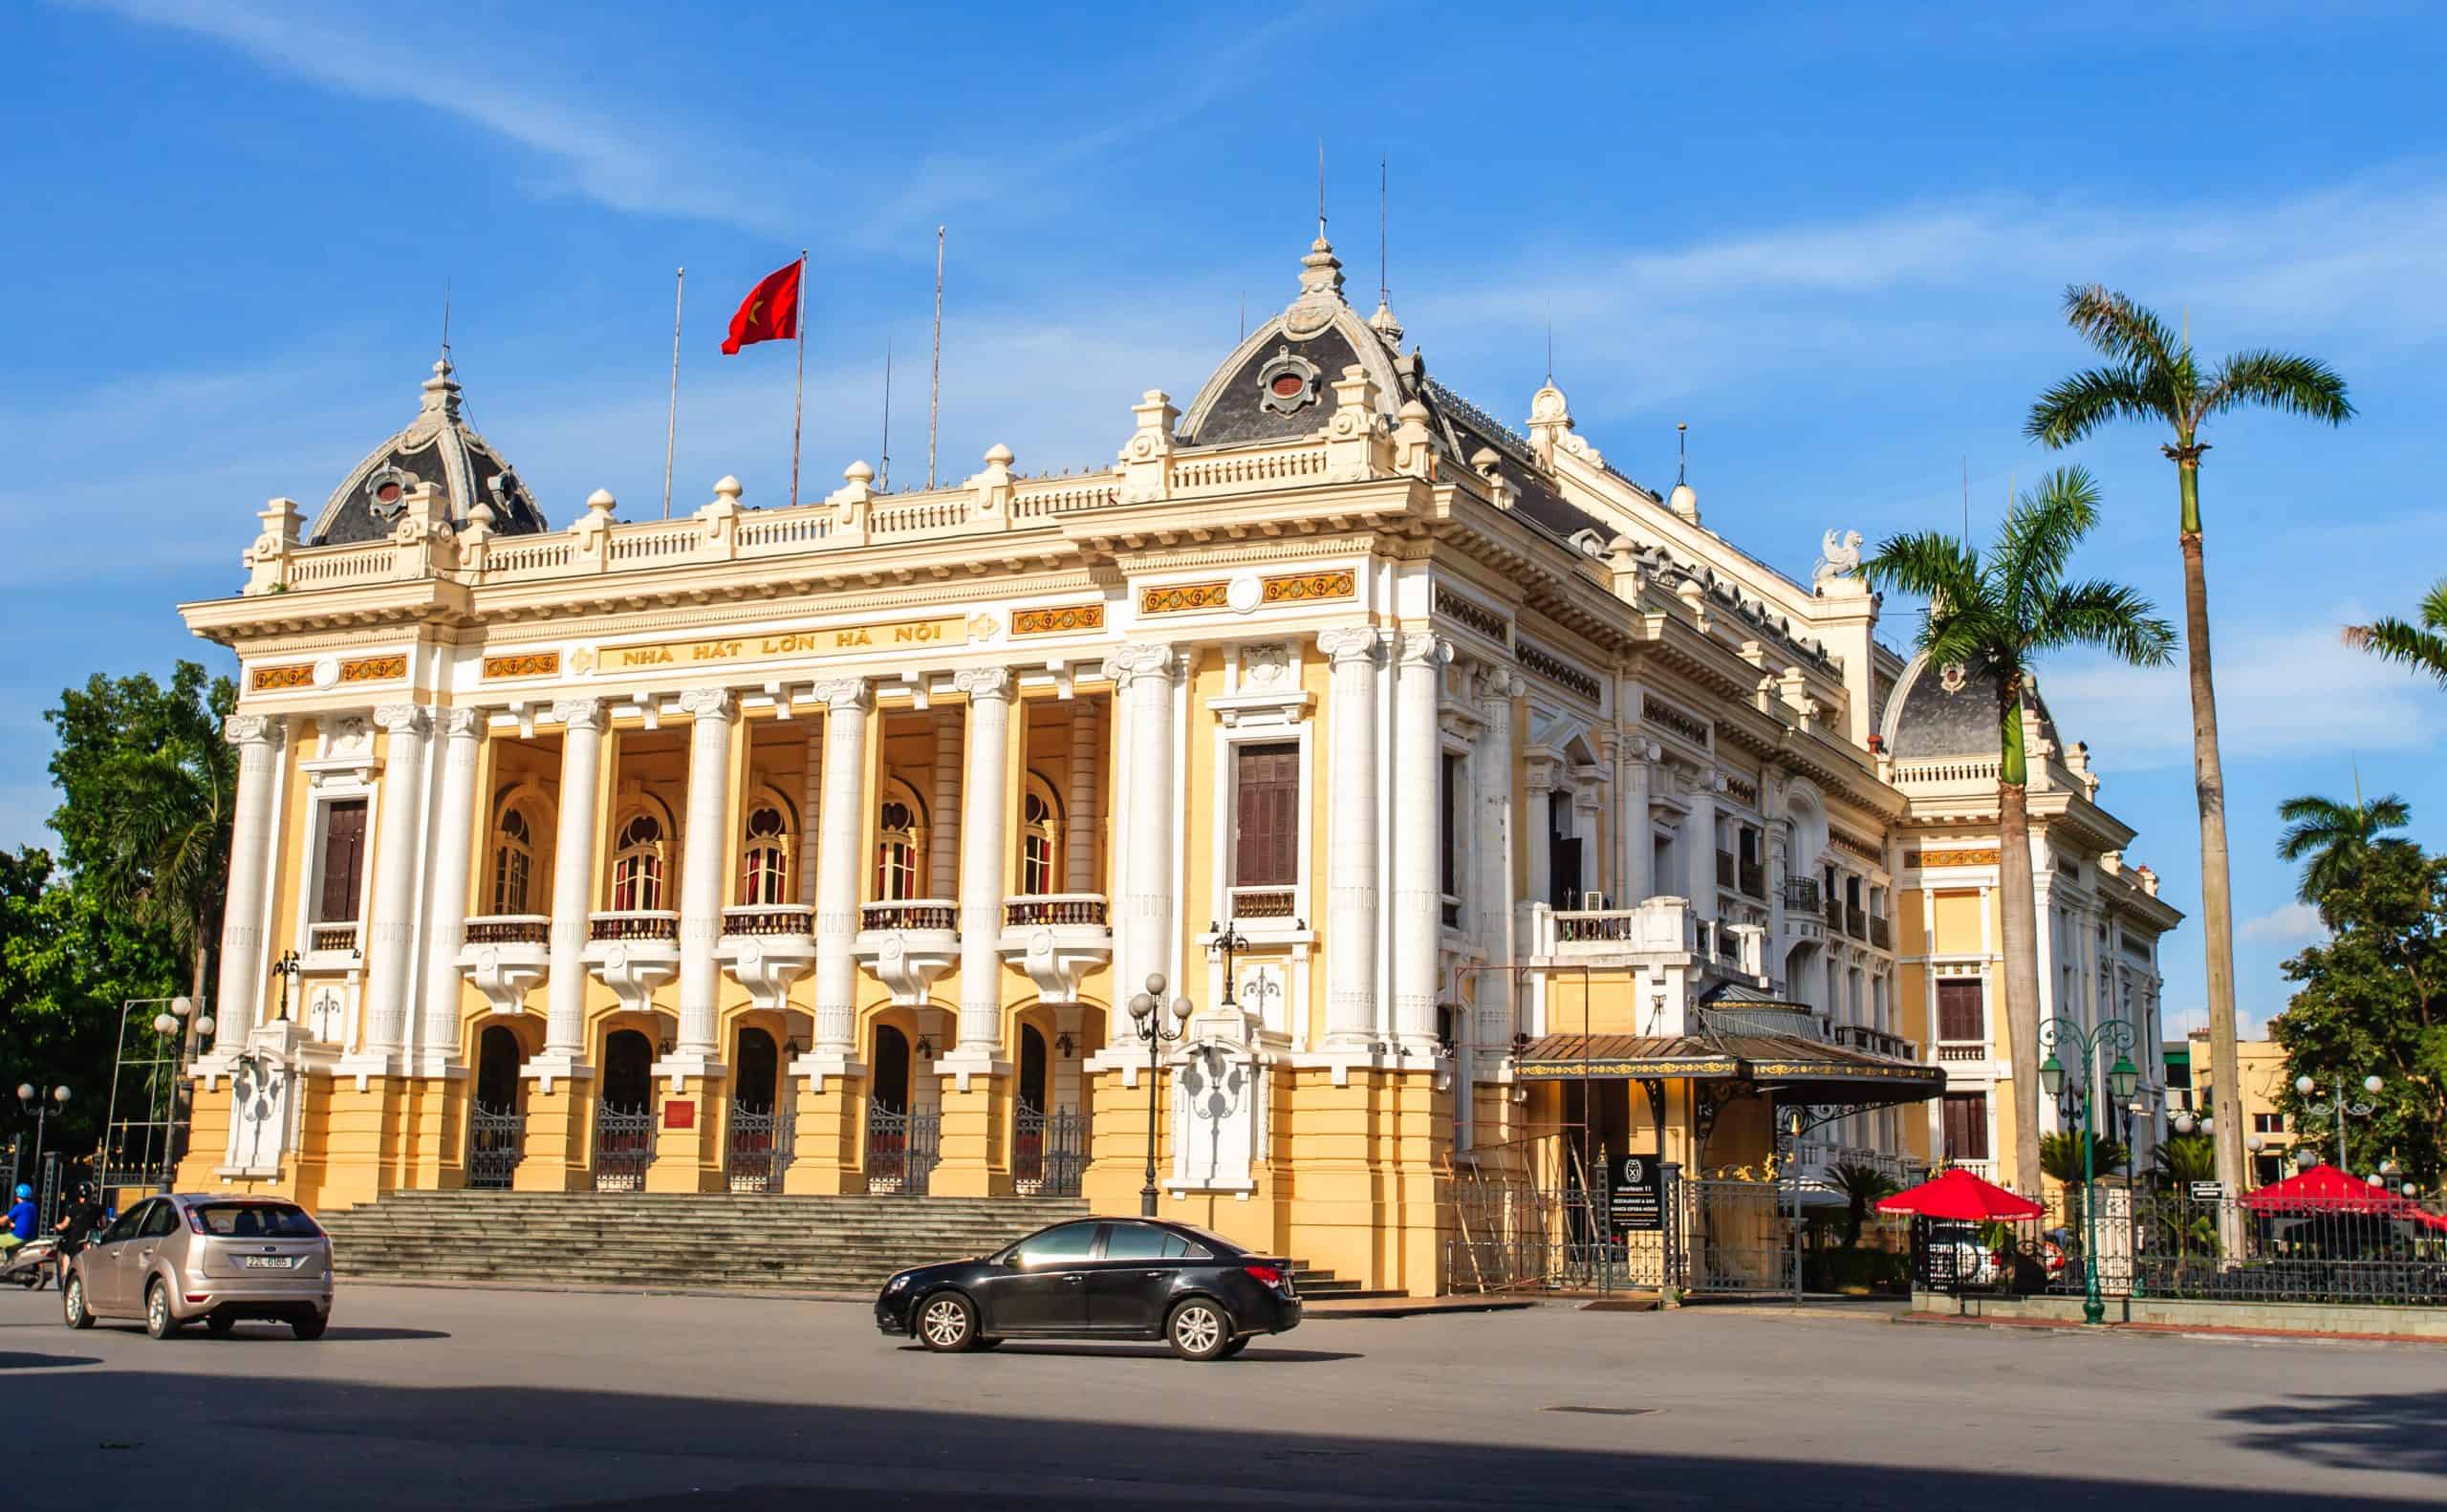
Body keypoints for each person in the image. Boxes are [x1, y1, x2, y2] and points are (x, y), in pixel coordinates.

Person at [53, 1183, 104, 1289]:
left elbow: (64, 1225)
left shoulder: (72, 1208)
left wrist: (56, 1226)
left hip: (76, 1240)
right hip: (92, 1240)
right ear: (91, 1194)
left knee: (66, 1256)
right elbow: (103, 1224)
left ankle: (65, 1280)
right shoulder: (98, 1208)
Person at [1, 1184, 34, 1254]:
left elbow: (3, 1220)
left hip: (17, 1238)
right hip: (28, 1239)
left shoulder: (19, 1207)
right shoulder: (32, 1207)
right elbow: (26, 1224)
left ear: (17, 1195)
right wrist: (13, 1225)